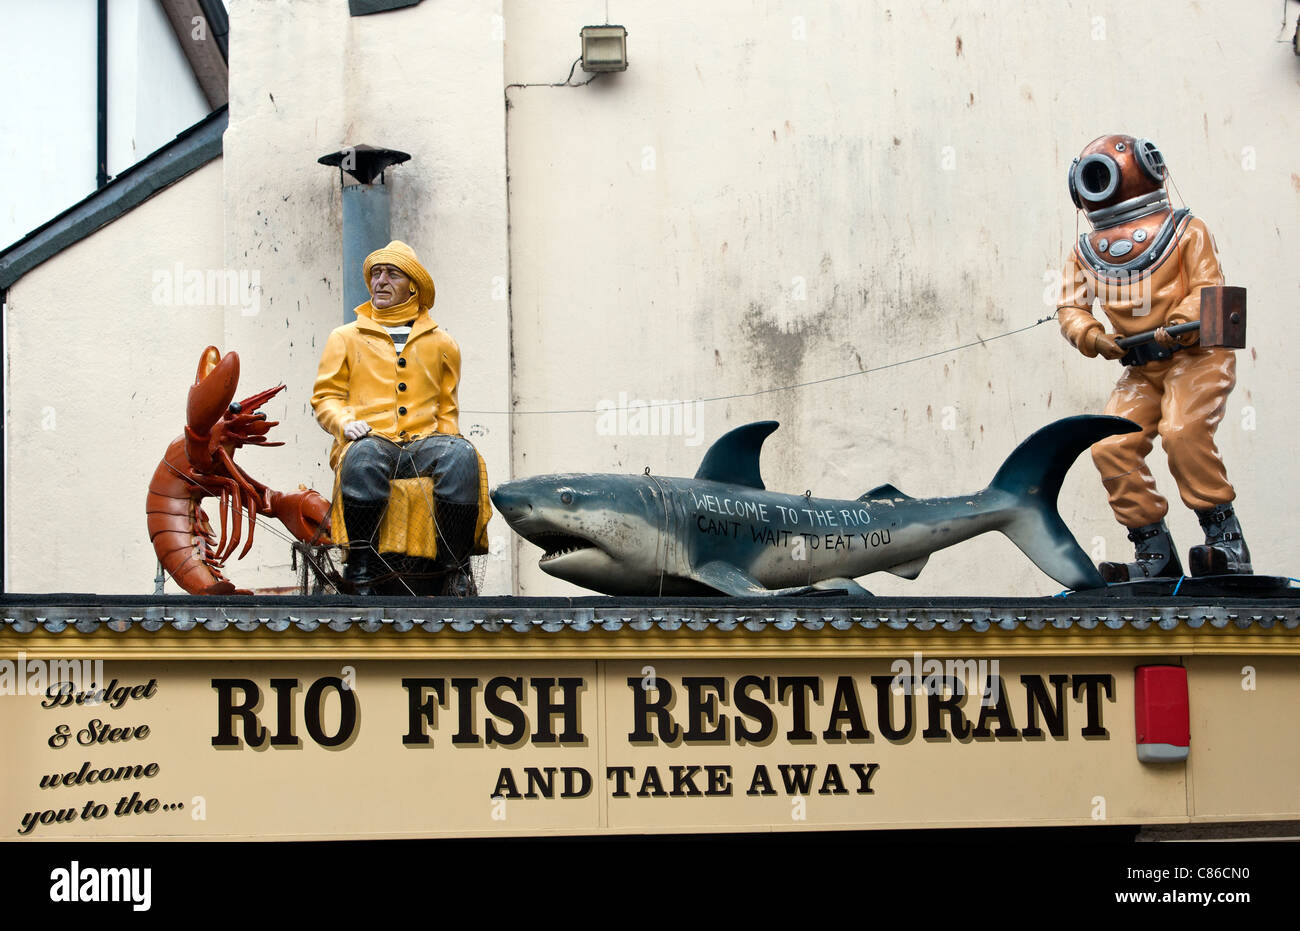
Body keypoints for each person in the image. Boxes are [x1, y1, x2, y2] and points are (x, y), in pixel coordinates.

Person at [1057, 133, 1250, 581]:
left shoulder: (1186, 230)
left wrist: (1180, 320)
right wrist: (1091, 335)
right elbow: (1070, 307)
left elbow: (1208, 288)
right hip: (1140, 366)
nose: (1099, 181)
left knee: (1183, 432)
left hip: (1197, 354)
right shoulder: (1085, 252)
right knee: (1110, 443)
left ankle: (1226, 543)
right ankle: (1154, 553)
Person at [311, 240, 482, 594]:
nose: (381, 281)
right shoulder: (345, 337)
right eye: (376, 274)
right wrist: (344, 422)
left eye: (392, 274)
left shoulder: (443, 344)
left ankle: (455, 569)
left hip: (423, 445)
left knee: (462, 456)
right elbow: (325, 397)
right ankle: (361, 565)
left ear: (413, 286)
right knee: (364, 456)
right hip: (372, 441)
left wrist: (451, 442)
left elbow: (447, 411)